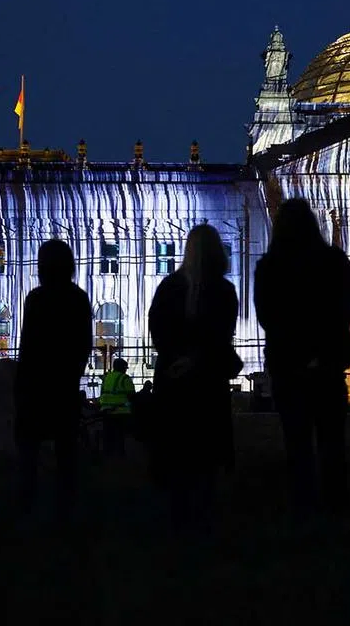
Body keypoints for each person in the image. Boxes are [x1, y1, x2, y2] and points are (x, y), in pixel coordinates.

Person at [254, 198, 350, 516]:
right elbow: (344, 310)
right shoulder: (335, 261)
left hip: (289, 366)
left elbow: (267, 316)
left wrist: (297, 352)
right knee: (332, 441)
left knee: (297, 442)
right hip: (327, 364)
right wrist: (320, 351)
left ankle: (303, 505)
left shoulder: (269, 266)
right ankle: (336, 507)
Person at [149, 224, 241, 528]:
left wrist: (177, 360)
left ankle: (178, 517)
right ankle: (205, 516)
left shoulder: (169, 287)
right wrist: (198, 360)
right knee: (206, 452)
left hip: (174, 382)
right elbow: (221, 336)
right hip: (207, 382)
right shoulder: (224, 290)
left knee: (178, 450)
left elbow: (158, 330)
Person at [14, 239, 93, 512]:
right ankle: (66, 506)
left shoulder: (36, 298)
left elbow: (29, 344)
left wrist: (23, 381)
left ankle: (27, 503)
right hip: (64, 383)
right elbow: (84, 343)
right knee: (66, 448)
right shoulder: (78, 298)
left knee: (29, 449)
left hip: (36, 383)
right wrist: (74, 374)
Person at [99, 357, 136, 457]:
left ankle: (108, 454)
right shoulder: (125, 378)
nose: (126, 370)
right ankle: (120, 455)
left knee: (108, 434)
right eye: (125, 368)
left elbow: (102, 393)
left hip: (106, 411)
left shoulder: (106, 378)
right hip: (120, 411)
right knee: (120, 435)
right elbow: (132, 396)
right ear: (123, 368)